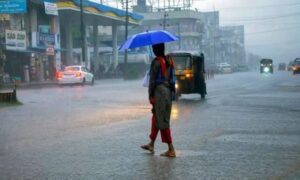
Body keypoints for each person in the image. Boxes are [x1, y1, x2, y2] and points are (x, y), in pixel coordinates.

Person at [140, 43, 176, 157]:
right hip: (168, 93)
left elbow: (152, 81)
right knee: (156, 118)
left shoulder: (156, 62)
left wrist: (150, 95)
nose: (153, 50)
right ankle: (151, 144)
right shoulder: (170, 60)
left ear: (156, 50)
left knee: (163, 121)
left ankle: (171, 149)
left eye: (153, 48)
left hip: (159, 93)